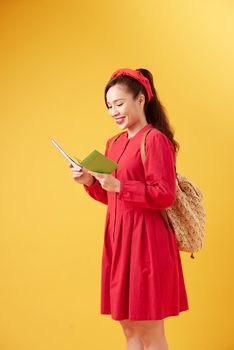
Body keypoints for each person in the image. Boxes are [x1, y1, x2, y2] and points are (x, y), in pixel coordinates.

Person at [70, 68, 189, 350]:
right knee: (128, 330)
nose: (114, 112)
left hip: (147, 242)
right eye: (109, 106)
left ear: (140, 99)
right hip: (118, 239)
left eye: (119, 103)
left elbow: (164, 195)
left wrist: (121, 186)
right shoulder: (112, 144)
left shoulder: (155, 140)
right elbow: (110, 195)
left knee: (150, 331)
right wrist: (89, 180)